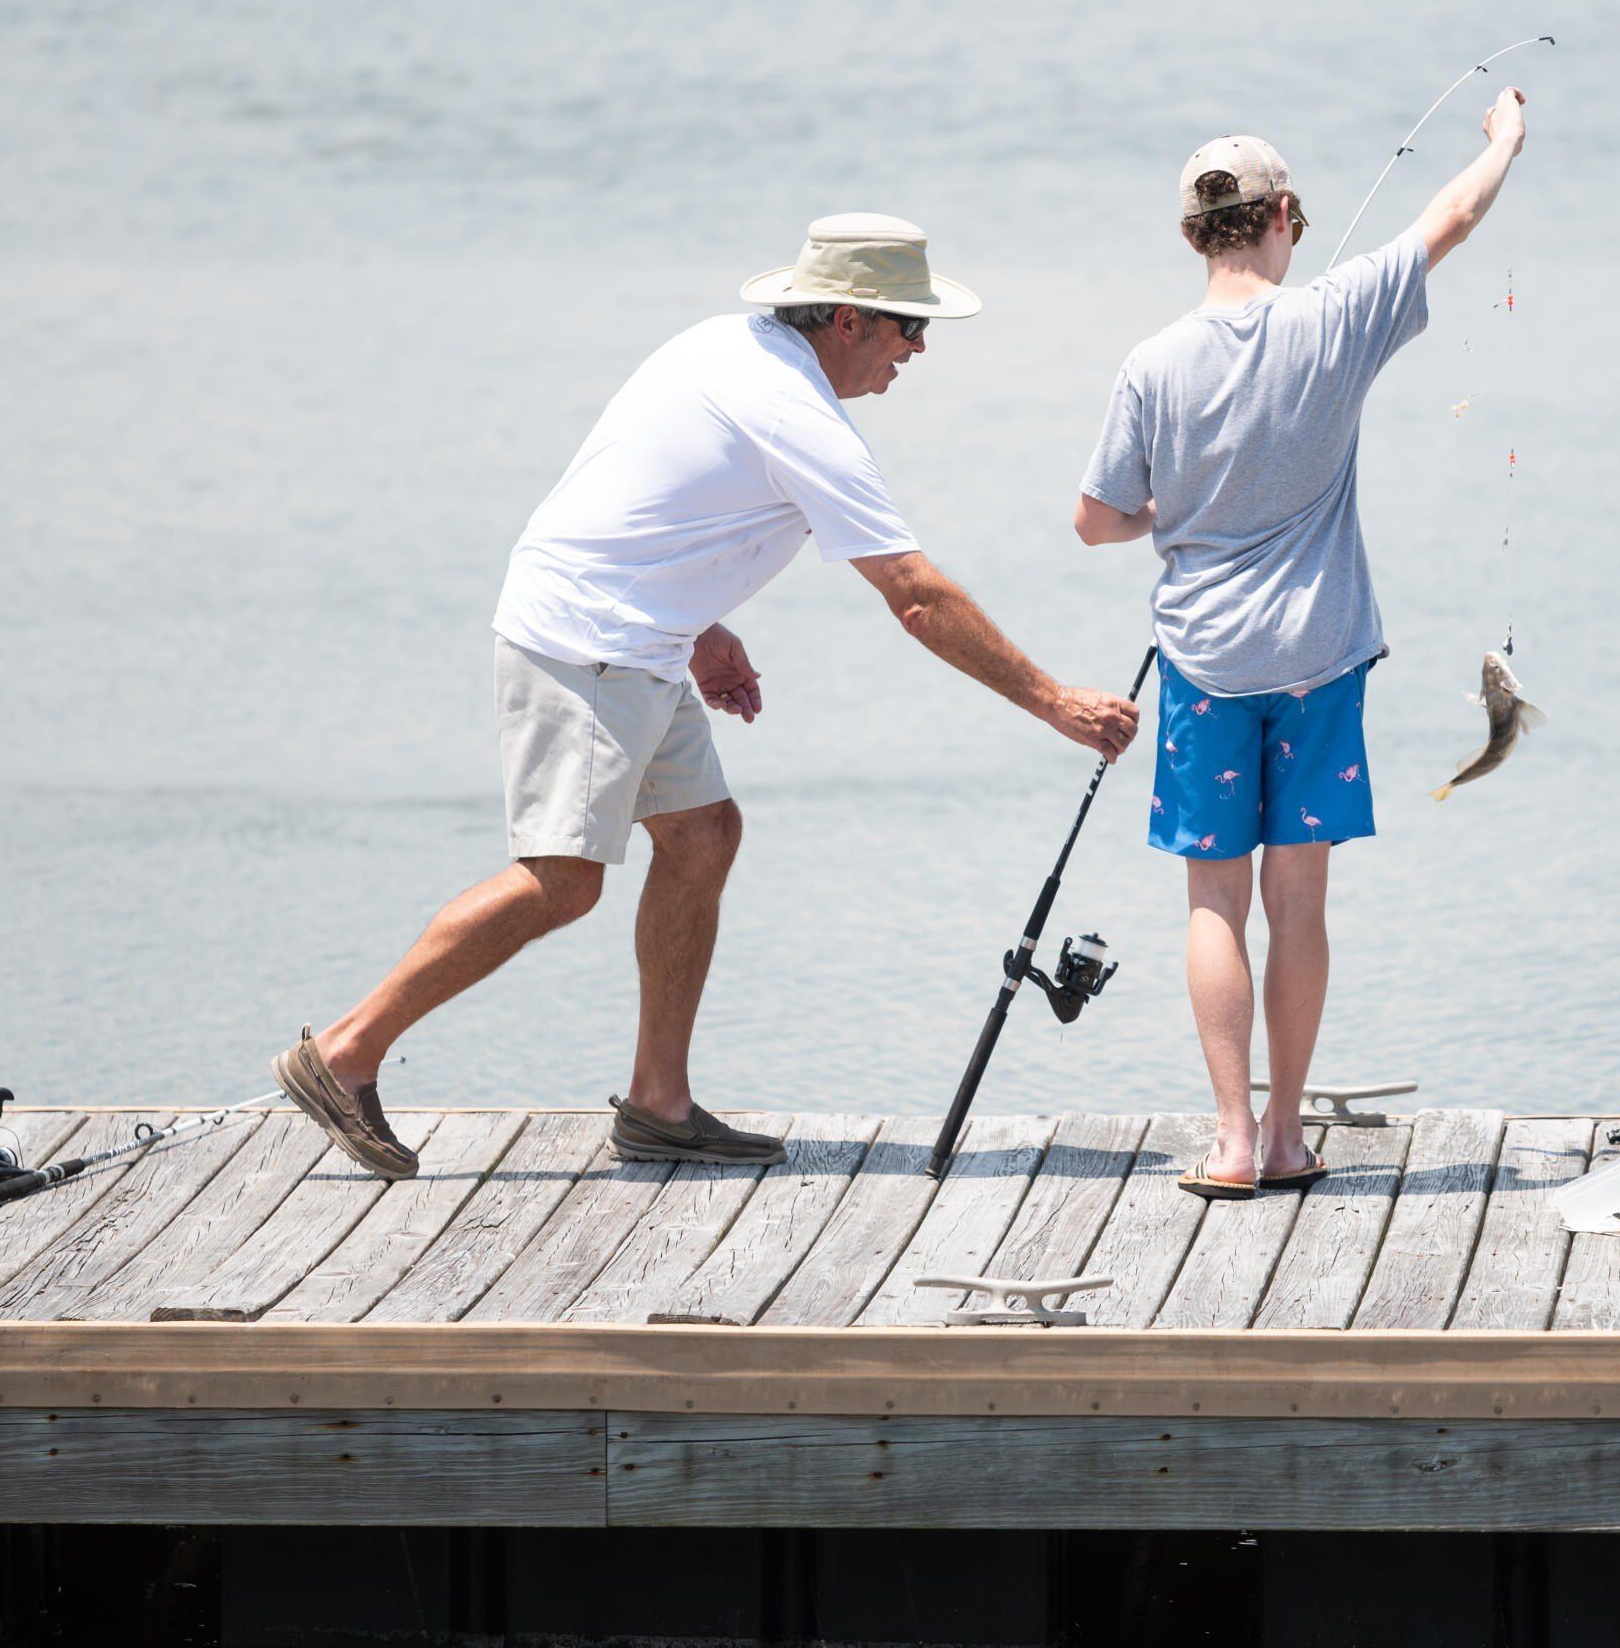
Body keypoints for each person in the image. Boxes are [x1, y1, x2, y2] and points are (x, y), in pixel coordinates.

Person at [274, 214, 1140, 1178]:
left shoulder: (726, 346)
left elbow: (653, 505)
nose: (920, 348)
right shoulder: (794, 412)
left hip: (635, 636)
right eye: (908, 325)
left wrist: (705, 628)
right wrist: (1053, 702)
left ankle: (659, 1104)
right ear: (849, 320)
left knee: (702, 836)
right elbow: (918, 598)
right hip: (588, 645)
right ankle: (346, 1052)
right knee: (561, 880)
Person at [1075, 91, 1528, 1198]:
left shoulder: (1151, 365)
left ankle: (1229, 1140)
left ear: (1191, 236)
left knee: (1212, 904)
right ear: (1287, 215)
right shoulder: (1336, 317)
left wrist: (1166, 519)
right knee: (1300, 905)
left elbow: (1095, 519)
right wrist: (1505, 138)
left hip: (1205, 667)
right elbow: (1449, 220)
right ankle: (1285, 1136)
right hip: (1322, 663)